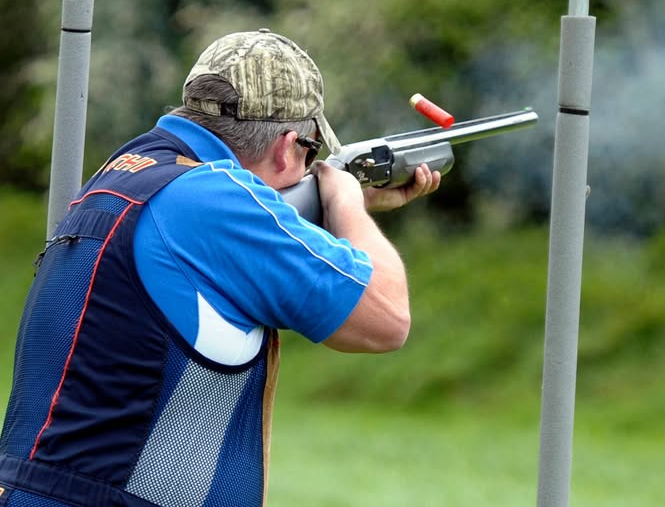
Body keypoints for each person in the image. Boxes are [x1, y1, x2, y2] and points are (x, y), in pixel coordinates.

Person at [0, 29, 440, 507]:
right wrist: (348, 205)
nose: (310, 172)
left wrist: (345, 210)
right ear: (286, 145)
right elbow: (386, 320)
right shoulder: (214, 200)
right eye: (311, 157)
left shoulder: (127, 172)